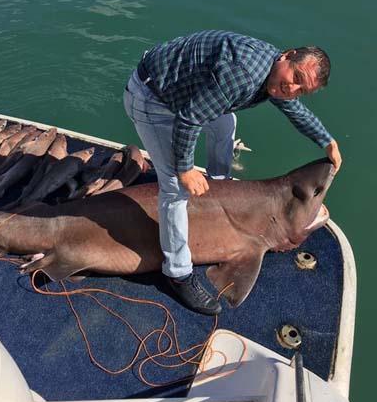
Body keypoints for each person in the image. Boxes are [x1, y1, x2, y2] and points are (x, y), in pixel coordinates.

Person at [123, 30, 342, 316]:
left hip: (184, 89)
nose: (293, 90)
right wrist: (186, 170)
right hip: (153, 98)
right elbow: (189, 120)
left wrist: (327, 141)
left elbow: (293, 109)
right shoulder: (245, 74)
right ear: (287, 55)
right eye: (297, 78)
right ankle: (177, 272)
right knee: (175, 189)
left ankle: (218, 186)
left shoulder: (274, 72)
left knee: (225, 124)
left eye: (303, 90)